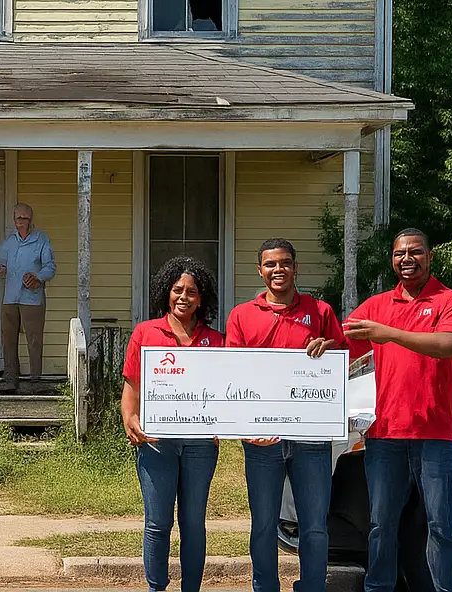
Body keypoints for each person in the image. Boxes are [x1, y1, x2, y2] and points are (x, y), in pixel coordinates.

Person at [343, 229, 452, 592]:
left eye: (415, 252)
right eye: (400, 254)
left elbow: (449, 344)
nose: (407, 259)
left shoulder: (450, 301)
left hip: (436, 433)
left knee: (442, 525)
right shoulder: (377, 305)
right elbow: (342, 347)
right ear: (392, 259)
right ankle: (379, 586)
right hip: (386, 433)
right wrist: (322, 346)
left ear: (430, 257)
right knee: (381, 522)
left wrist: (391, 333)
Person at [225, 239, 343, 592]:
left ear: (296, 267)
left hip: (311, 438)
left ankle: (312, 586)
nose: (279, 270)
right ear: (259, 270)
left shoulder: (320, 312)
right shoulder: (242, 315)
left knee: (315, 525)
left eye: (286, 263)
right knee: (263, 522)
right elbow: (231, 375)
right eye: (271, 264)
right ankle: (265, 586)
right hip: (262, 439)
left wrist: (331, 347)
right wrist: (244, 427)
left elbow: (343, 358)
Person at [121, 257, 226, 592]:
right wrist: (130, 419)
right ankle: (156, 587)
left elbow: (228, 391)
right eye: (177, 290)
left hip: (199, 444)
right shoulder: (146, 332)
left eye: (192, 291)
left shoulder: (217, 340)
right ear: (165, 293)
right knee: (157, 523)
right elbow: (132, 388)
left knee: (193, 523)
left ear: (202, 298)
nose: (184, 296)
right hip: (156, 442)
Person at [0, 202, 55, 393]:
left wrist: (38, 277)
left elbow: (50, 266)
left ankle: (35, 381)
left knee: (34, 340)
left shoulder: (41, 239)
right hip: (10, 297)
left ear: (31, 219)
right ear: (14, 219)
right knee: (8, 339)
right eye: (19, 217)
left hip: (32, 298)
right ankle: (10, 380)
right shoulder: (9, 242)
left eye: (25, 218)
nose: (22, 221)